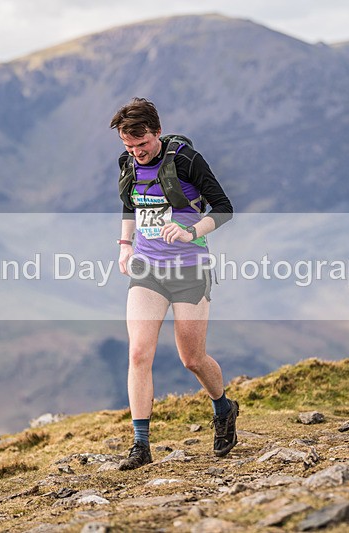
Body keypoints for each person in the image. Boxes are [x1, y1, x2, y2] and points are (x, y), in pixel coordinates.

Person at [110, 97, 239, 470]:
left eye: (143, 144)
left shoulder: (185, 160)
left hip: (189, 269)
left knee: (192, 359)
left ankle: (223, 408)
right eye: (129, 146)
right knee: (138, 353)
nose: (137, 153)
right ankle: (140, 445)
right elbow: (129, 204)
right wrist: (124, 245)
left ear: (157, 132)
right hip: (148, 270)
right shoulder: (128, 162)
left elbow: (224, 208)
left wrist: (190, 231)